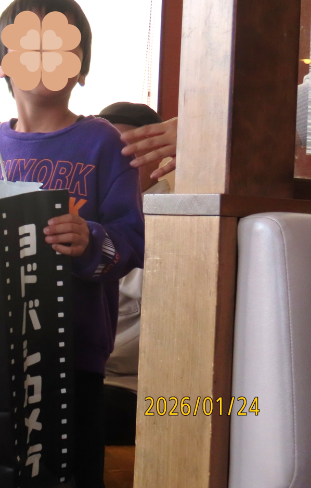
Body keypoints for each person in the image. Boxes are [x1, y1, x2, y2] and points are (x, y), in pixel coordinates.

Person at [0, 0, 145, 488]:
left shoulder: (104, 142)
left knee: (70, 472)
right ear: (3, 63)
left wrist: (90, 239)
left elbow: (132, 240)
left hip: (74, 353)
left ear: (81, 68)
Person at [97, 102, 173, 446]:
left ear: (159, 156)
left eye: (128, 153)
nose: (113, 165)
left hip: (137, 390)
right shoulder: (89, 217)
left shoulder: (175, 223)